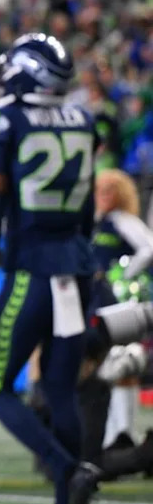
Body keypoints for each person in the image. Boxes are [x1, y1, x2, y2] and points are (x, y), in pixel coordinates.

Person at [0, 33, 101, 504]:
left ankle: (67, 468)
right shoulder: (84, 119)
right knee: (61, 389)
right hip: (76, 269)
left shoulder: (2, 120)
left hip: (32, 272)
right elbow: (87, 212)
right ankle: (70, 501)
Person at [91, 168, 153, 448]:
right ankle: (110, 433)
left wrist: (123, 273)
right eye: (99, 191)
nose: (103, 196)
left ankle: (124, 431)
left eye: (109, 191)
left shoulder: (123, 221)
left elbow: (149, 248)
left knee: (123, 360)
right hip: (97, 299)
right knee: (102, 364)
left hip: (120, 301)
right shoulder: (95, 221)